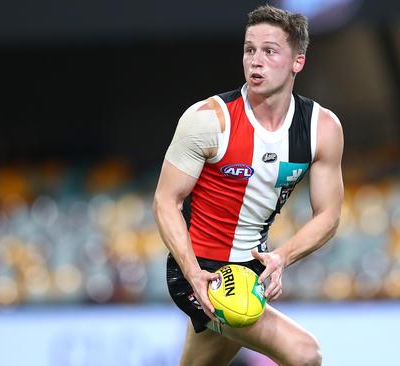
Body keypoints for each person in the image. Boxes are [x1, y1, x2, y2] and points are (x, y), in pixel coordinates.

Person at [153, 5, 344, 366]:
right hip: (202, 273)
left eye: (269, 51)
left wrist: (282, 257)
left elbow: (329, 214)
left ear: (297, 62)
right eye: (249, 49)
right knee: (305, 354)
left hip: (249, 273)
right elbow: (166, 202)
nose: (256, 61)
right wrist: (194, 274)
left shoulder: (322, 128)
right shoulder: (208, 120)